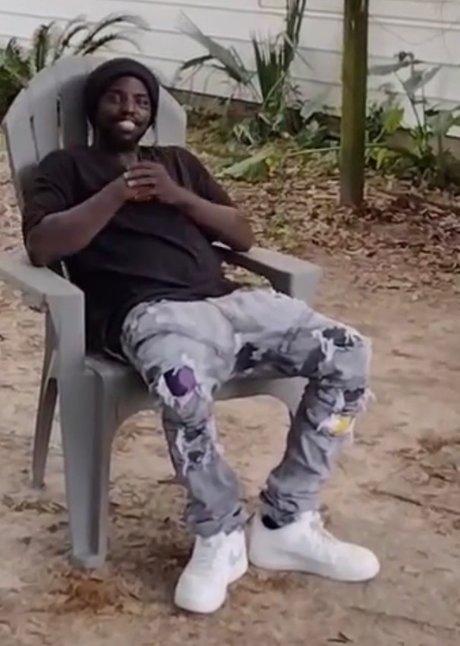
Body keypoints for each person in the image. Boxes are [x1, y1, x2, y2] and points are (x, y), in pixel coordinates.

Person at [23, 57, 380, 614]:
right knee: (182, 385)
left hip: (230, 301)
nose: (129, 109)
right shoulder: (65, 168)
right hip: (152, 314)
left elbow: (242, 234)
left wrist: (177, 195)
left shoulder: (178, 164)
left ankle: (286, 520)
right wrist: (116, 194)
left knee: (349, 354)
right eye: (116, 97)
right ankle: (219, 533)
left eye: (141, 101)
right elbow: (43, 247)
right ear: (94, 107)